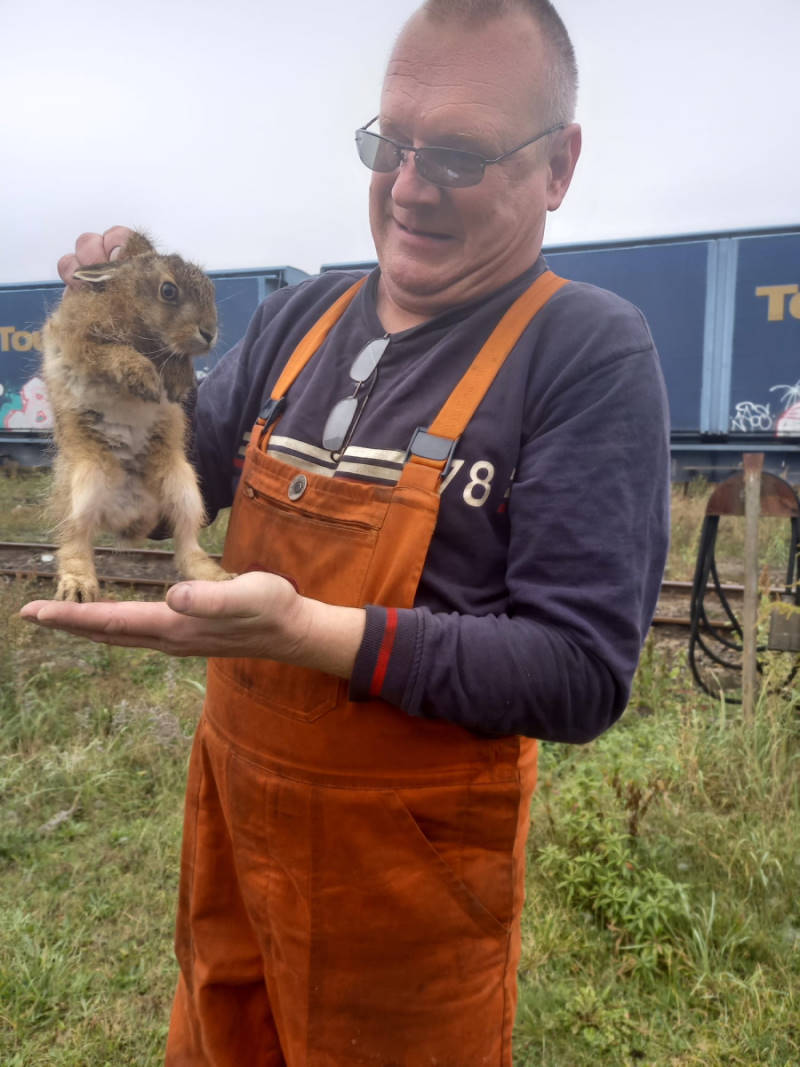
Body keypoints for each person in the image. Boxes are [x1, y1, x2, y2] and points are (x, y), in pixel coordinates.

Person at [22, 0, 671, 1063]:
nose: (408, 188)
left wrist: (310, 634)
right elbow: (153, 494)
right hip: (232, 842)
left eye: (457, 156)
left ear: (557, 166)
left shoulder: (583, 352)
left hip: (407, 896)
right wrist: (116, 354)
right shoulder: (300, 318)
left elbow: (578, 671)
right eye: (391, 144)